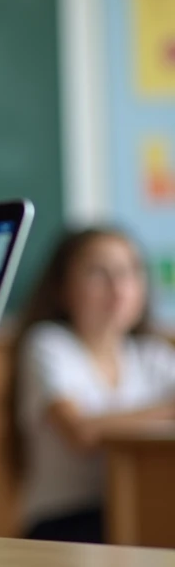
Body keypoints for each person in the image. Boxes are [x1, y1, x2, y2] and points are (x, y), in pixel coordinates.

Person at [15, 226, 175, 543]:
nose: (118, 287)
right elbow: (81, 432)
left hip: (140, 509)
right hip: (67, 522)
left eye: (129, 271)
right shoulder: (49, 345)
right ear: (62, 288)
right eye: (97, 272)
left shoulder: (152, 354)